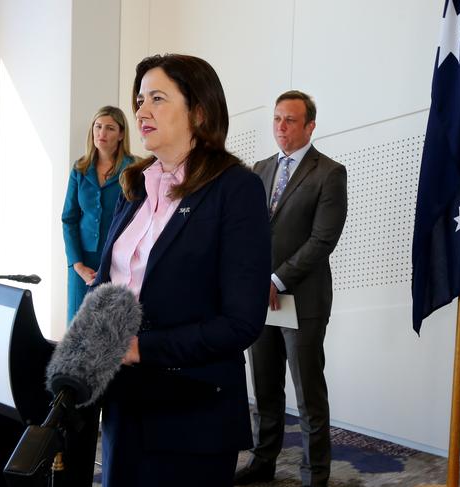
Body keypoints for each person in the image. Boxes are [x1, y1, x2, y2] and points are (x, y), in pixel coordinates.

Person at [90, 54, 271, 487]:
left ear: (199, 111)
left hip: (192, 412)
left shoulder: (236, 189)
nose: (141, 111)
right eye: (139, 99)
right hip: (124, 403)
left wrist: (141, 349)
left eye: (157, 98)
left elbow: (242, 322)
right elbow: (108, 281)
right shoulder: (134, 185)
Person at [234, 90, 347, 486]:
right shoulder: (261, 168)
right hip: (259, 300)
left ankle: (315, 474)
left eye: (291, 120)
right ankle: (263, 461)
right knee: (265, 387)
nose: (281, 127)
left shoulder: (329, 173)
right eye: (277, 119)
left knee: (308, 393)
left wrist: (276, 279)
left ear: (310, 126)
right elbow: (247, 231)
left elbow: (322, 241)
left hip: (302, 298)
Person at [61, 106, 135, 323]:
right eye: (98, 126)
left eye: (110, 128)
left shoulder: (134, 169)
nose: (102, 133)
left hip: (119, 261)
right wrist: (77, 264)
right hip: (82, 261)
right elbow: (69, 218)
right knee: (77, 327)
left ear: (121, 134)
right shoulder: (80, 169)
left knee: (110, 327)